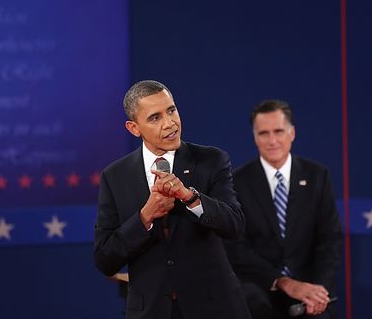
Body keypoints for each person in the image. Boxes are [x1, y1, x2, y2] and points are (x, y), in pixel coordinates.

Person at [94, 80, 251, 319]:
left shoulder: (211, 160)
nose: (170, 123)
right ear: (134, 128)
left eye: (171, 110)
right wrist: (145, 216)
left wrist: (190, 198)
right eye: (155, 118)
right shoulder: (115, 176)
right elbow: (105, 259)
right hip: (152, 311)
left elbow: (235, 224)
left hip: (214, 307)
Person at [225, 99, 343, 319]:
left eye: (278, 131)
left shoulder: (317, 176)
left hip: (309, 285)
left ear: (292, 133)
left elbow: (330, 240)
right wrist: (283, 282)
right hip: (259, 287)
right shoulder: (237, 182)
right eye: (263, 133)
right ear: (255, 138)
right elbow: (237, 248)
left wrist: (318, 290)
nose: (272, 141)